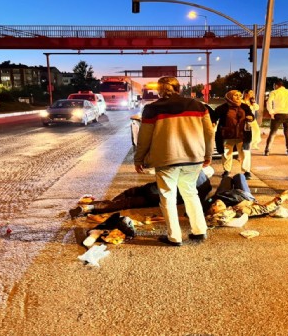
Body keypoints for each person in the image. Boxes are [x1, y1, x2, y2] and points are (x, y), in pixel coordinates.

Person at [134, 76, 215, 246]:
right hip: (193, 158)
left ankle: (174, 237)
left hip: (166, 159)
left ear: (159, 90)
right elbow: (209, 133)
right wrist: (208, 154)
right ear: (179, 88)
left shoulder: (152, 109)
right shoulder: (199, 106)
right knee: (190, 193)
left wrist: (139, 158)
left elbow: (144, 137)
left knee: (167, 196)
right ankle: (199, 230)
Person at [69, 167, 214, 217]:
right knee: (128, 203)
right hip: (162, 191)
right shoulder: (203, 187)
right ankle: (92, 207)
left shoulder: (196, 169)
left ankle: (104, 205)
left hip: (158, 187)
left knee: (131, 192)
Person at [204, 172, 288, 226]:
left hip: (223, 193)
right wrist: (284, 196)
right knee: (239, 176)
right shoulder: (239, 209)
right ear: (227, 208)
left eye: (212, 206)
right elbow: (264, 209)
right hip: (243, 194)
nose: (216, 203)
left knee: (226, 178)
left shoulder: (207, 205)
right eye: (219, 205)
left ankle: (228, 178)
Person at [214, 90, 254, 179]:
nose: (239, 97)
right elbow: (214, 117)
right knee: (226, 153)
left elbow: (251, 116)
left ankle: (247, 171)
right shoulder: (222, 108)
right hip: (227, 135)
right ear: (229, 97)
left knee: (245, 152)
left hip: (242, 135)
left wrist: (250, 118)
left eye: (240, 95)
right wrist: (213, 122)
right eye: (236, 95)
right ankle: (226, 170)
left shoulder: (244, 106)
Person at [264, 81, 288, 156]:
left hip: (278, 114)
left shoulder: (274, 92)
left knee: (272, 133)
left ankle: (267, 150)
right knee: (287, 133)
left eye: (274, 86)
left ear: (276, 85)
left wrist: (271, 112)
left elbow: (269, 102)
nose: (273, 87)